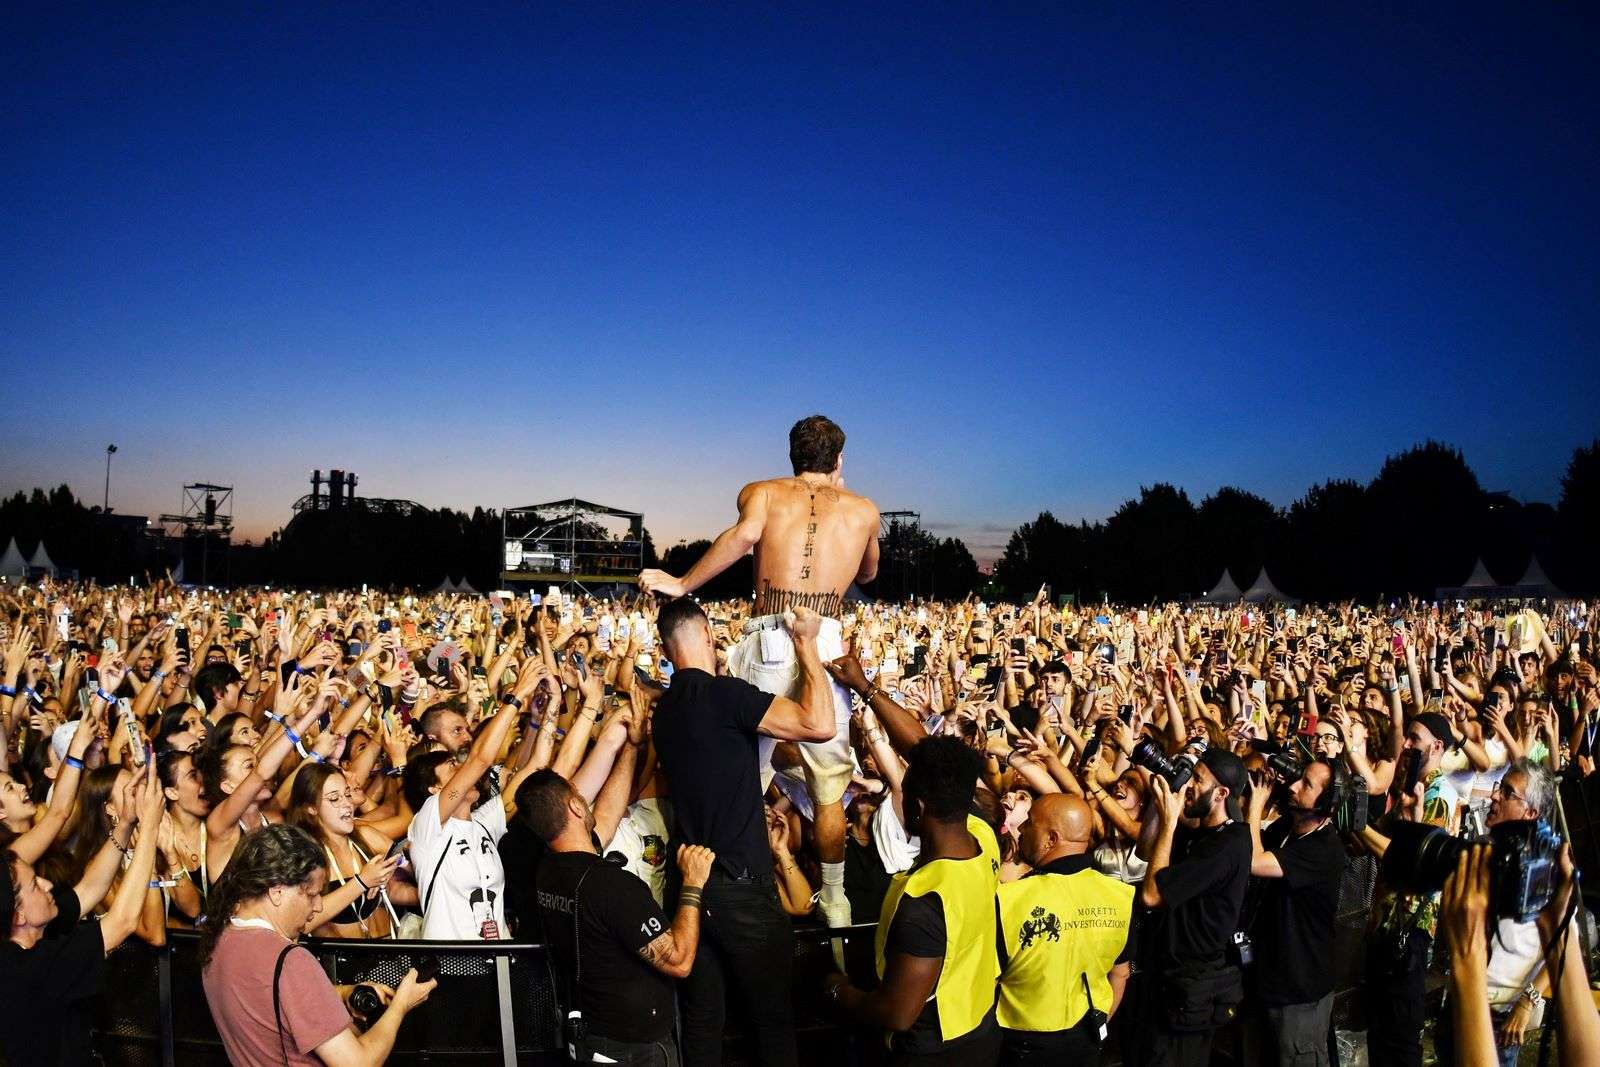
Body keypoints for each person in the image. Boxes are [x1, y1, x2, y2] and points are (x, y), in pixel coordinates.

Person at [641, 413, 879, 930]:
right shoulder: (865, 510)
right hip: (827, 635)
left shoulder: (764, 492)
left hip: (771, 632)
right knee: (829, 787)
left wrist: (683, 583)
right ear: (838, 461)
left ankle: (720, 886)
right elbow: (868, 571)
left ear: (793, 457)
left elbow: (745, 536)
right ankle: (836, 900)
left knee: (742, 769)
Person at [648, 597, 835, 1066]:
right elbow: (820, 724)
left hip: (690, 883)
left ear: (667, 650)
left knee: (703, 1021)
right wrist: (806, 644)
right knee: (771, 1021)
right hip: (741, 885)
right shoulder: (727, 695)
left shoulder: (666, 711)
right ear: (709, 636)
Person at [824, 736, 1002, 1064]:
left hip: (932, 1052)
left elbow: (898, 1014)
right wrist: (865, 689)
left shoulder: (924, 900)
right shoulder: (985, 841)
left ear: (918, 805)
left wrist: (840, 993)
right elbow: (943, 763)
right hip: (983, 1032)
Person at [199, 824, 436, 1066]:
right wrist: (400, 1006)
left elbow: (270, 999)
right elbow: (358, 1063)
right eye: (311, 894)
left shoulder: (220, 940)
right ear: (277, 891)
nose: (319, 906)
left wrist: (340, 993)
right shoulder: (290, 960)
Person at [523, 767, 714, 1065]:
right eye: (581, 797)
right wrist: (693, 882)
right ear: (575, 806)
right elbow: (679, 960)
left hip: (594, 1033)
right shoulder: (612, 886)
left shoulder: (547, 870)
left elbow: (604, 822)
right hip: (635, 1048)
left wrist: (630, 750)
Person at [1, 759, 162, 1066]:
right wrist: (151, 828)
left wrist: (126, 824)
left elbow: (88, 890)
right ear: (18, 916)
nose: (49, 885)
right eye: (34, 884)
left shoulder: (33, 936)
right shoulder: (27, 970)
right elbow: (123, 921)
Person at [405, 656, 548, 939]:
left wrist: (547, 712)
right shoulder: (428, 826)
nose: (462, 771)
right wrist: (516, 695)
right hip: (453, 967)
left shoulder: (484, 823)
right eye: (452, 769)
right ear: (434, 789)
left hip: (499, 963)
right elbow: (480, 761)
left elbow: (536, 765)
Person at [1127, 748, 1253, 1067]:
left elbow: (1152, 895)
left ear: (1221, 793)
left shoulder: (1227, 845)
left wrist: (1170, 822)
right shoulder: (1199, 829)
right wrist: (1161, 804)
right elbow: (1145, 851)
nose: (1190, 784)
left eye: (1198, 779)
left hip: (1189, 984)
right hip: (1163, 973)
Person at [1353, 710, 1457, 1067]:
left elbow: (1409, 859)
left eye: (1414, 738)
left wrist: (1357, 825)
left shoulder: (1440, 794)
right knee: (1381, 1035)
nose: (1407, 745)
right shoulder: (1412, 789)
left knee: (1399, 1040)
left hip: (1408, 932)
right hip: (1386, 926)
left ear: (1437, 746)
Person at [996, 793, 1132, 1064]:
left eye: (1030, 823)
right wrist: (1100, 1022)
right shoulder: (1121, 896)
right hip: (1087, 1039)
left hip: (1020, 1043)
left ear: (1051, 839)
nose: (1021, 828)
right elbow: (1121, 973)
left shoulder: (1009, 899)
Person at [1243, 757, 1349, 1067]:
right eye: (1298, 778)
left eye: (1306, 785)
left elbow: (1255, 862)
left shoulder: (1324, 849)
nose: (1293, 786)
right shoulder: (1288, 827)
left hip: (1300, 991)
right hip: (1269, 978)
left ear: (1327, 802)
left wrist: (1256, 804)